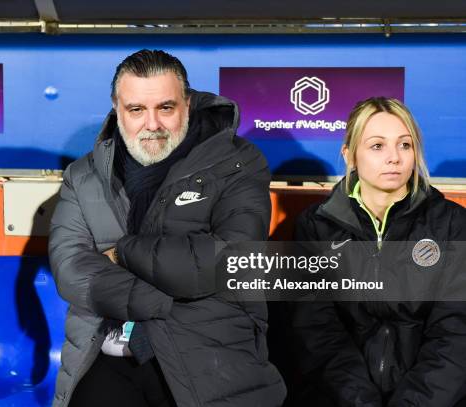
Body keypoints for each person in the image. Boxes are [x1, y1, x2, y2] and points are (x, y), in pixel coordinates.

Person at [49, 49, 285, 407]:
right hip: (107, 350)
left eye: (166, 108)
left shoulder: (238, 163)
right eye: (136, 110)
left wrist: (123, 252)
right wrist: (161, 299)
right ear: (117, 108)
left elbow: (231, 259)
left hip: (207, 353)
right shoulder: (83, 176)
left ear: (187, 105)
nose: (153, 124)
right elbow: (71, 269)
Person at [291, 97, 466, 406]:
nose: (394, 158)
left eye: (404, 145)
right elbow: (317, 332)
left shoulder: (452, 223)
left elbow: (456, 334)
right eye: (377, 146)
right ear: (350, 155)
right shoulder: (315, 226)